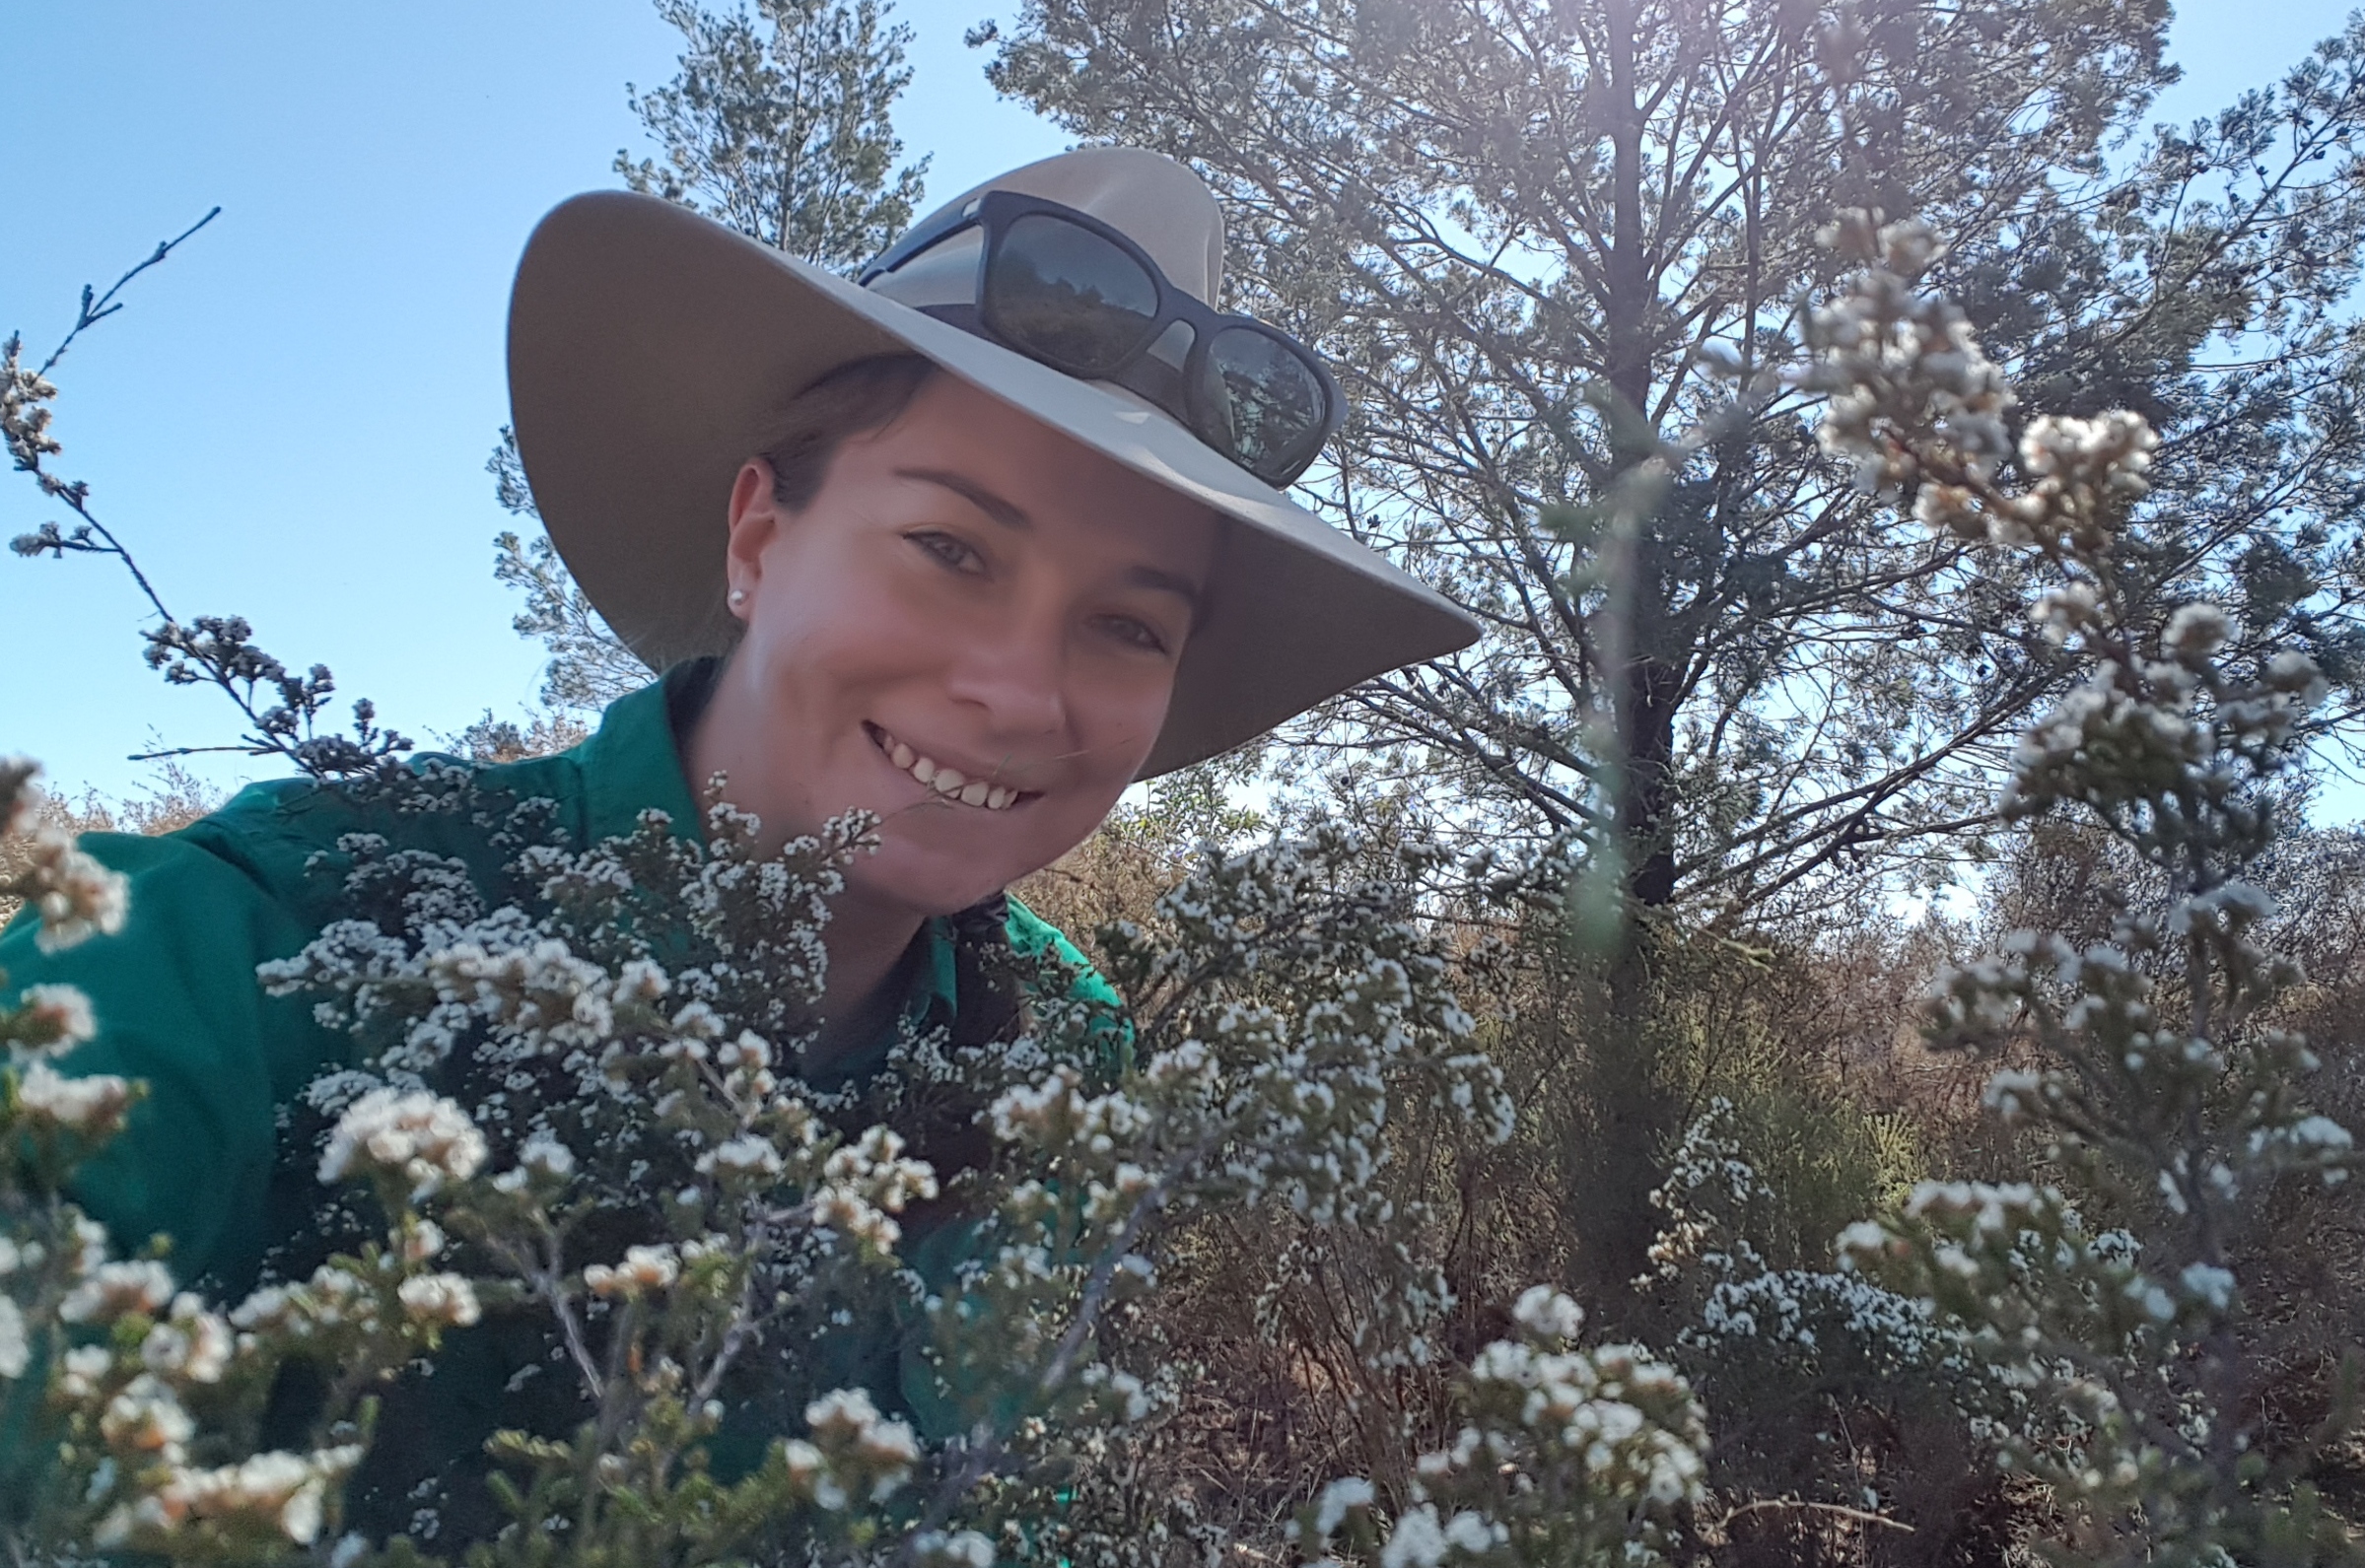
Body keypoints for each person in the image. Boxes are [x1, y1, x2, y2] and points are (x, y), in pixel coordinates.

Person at [0, 147, 1475, 1495]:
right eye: (951, 547)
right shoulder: (268, 943)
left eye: (1131, 628)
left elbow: (1005, 1494)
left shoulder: (1067, 1044)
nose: (1023, 693)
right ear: (760, 534)